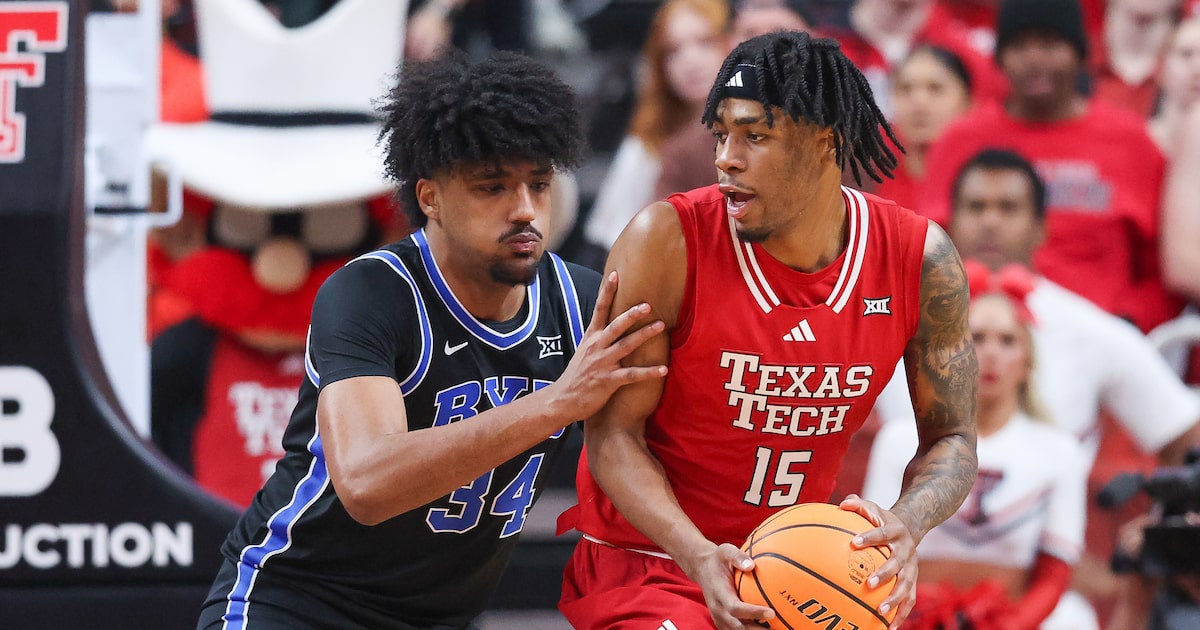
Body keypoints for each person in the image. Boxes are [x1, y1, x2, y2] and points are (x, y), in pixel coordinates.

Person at [195, 51, 668, 629]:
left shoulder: (580, 304)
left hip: (439, 618)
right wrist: (557, 403)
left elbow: (645, 447)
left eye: (538, 185)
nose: (524, 209)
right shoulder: (370, 292)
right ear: (430, 197)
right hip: (298, 602)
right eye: (492, 187)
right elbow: (367, 483)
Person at [558, 30, 979, 630]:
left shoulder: (919, 259)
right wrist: (698, 554)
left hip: (797, 567)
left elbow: (953, 439)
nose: (727, 156)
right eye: (721, 134)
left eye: (755, 136)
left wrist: (907, 525)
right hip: (652, 563)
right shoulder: (666, 241)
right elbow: (612, 437)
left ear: (825, 143)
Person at [873, 147, 1200, 620]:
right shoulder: (893, 321)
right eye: (976, 207)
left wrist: (1161, 522)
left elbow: (1184, 438)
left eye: (1008, 208)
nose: (990, 222)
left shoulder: (1093, 333)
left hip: (1036, 586)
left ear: (1041, 227)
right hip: (903, 585)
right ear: (950, 221)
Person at [918, 0, 1182, 334]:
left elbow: (1162, 272)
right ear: (999, 57)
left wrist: (1128, 322)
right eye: (1020, 46)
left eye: (1050, 45)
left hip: (1099, 337)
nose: (1035, 60)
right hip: (981, 336)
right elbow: (926, 252)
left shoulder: (1132, 143)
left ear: (1080, 54)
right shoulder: (960, 139)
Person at [865, 260, 1094, 630]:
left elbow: (1055, 574)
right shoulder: (899, 440)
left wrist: (1009, 625)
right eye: (976, 337)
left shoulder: (1061, 453)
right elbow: (874, 552)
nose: (990, 354)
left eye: (1007, 341)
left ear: (1027, 361)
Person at [579, 0, 731, 268]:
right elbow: (609, 239)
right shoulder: (646, 140)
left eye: (704, 42)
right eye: (673, 51)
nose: (690, 60)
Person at [875, 44, 973, 210]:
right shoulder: (867, 171)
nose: (919, 103)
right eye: (905, 89)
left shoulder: (983, 178)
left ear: (967, 101)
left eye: (935, 88)